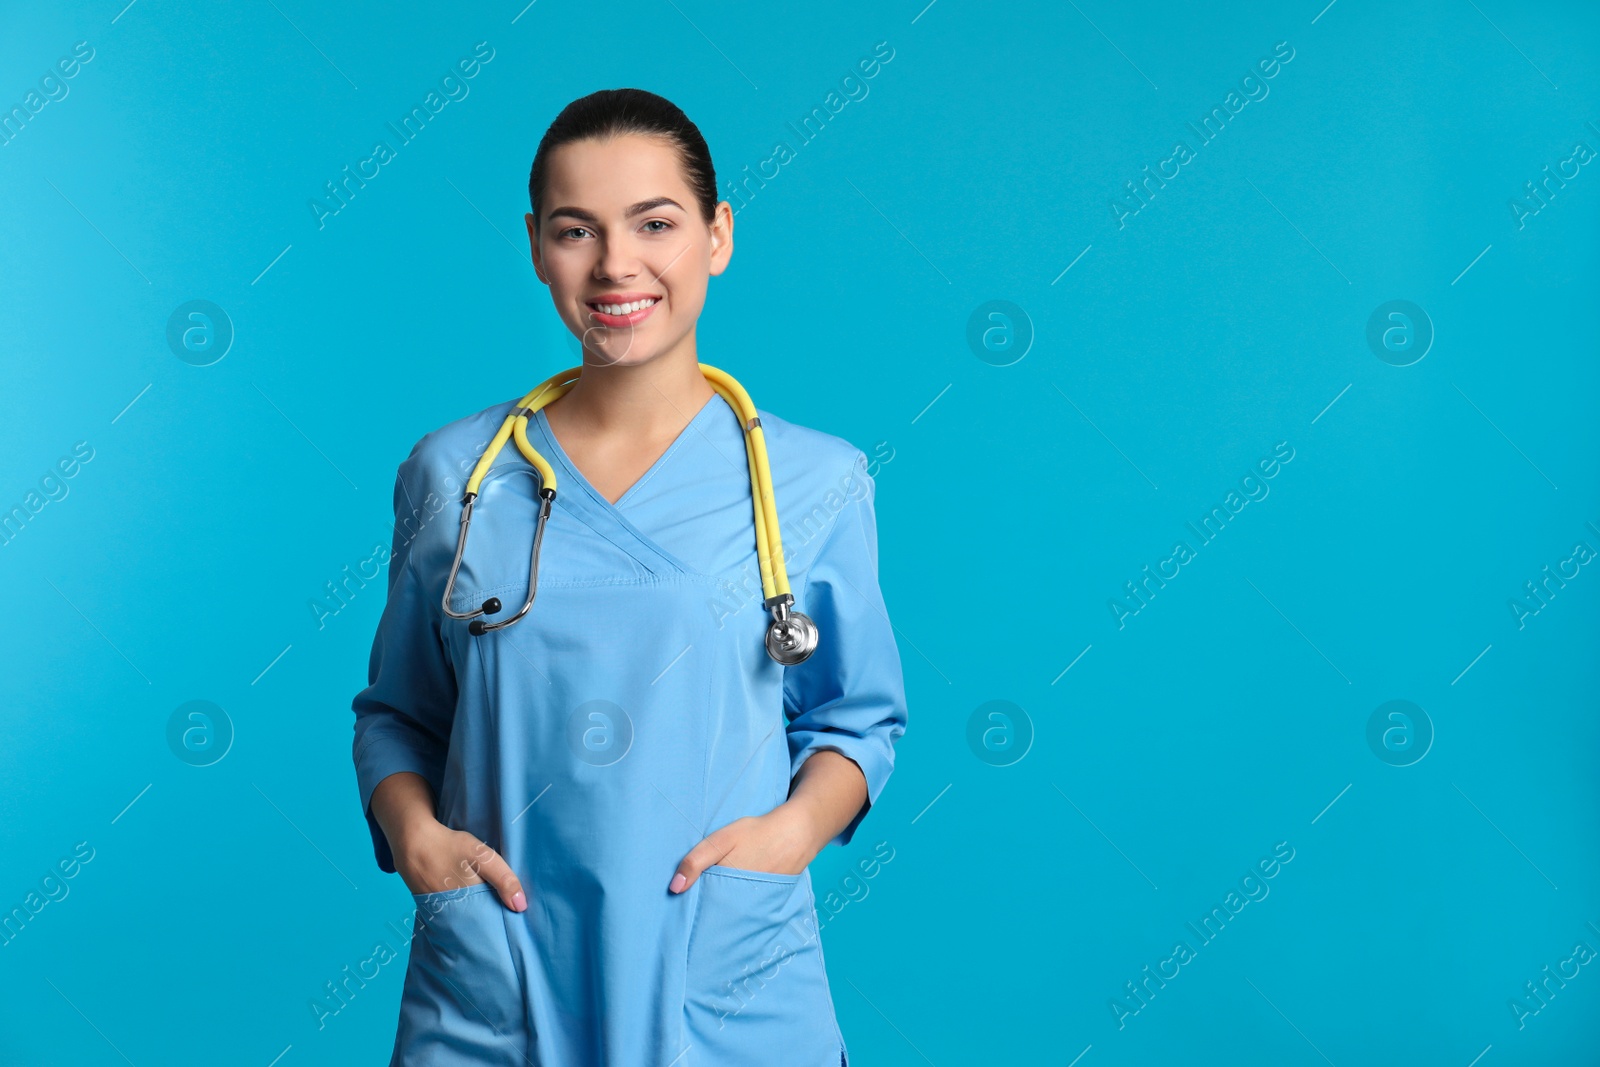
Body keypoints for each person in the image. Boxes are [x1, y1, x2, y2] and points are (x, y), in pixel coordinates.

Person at [350, 87, 908, 1066]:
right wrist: (418, 842)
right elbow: (397, 713)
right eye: (576, 230)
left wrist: (785, 838)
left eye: (655, 223)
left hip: (721, 973)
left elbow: (857, 722)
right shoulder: (452, 476)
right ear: (535, 246)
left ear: (717, 234)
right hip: (497, 972)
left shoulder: (815, 482)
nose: (616, 264)